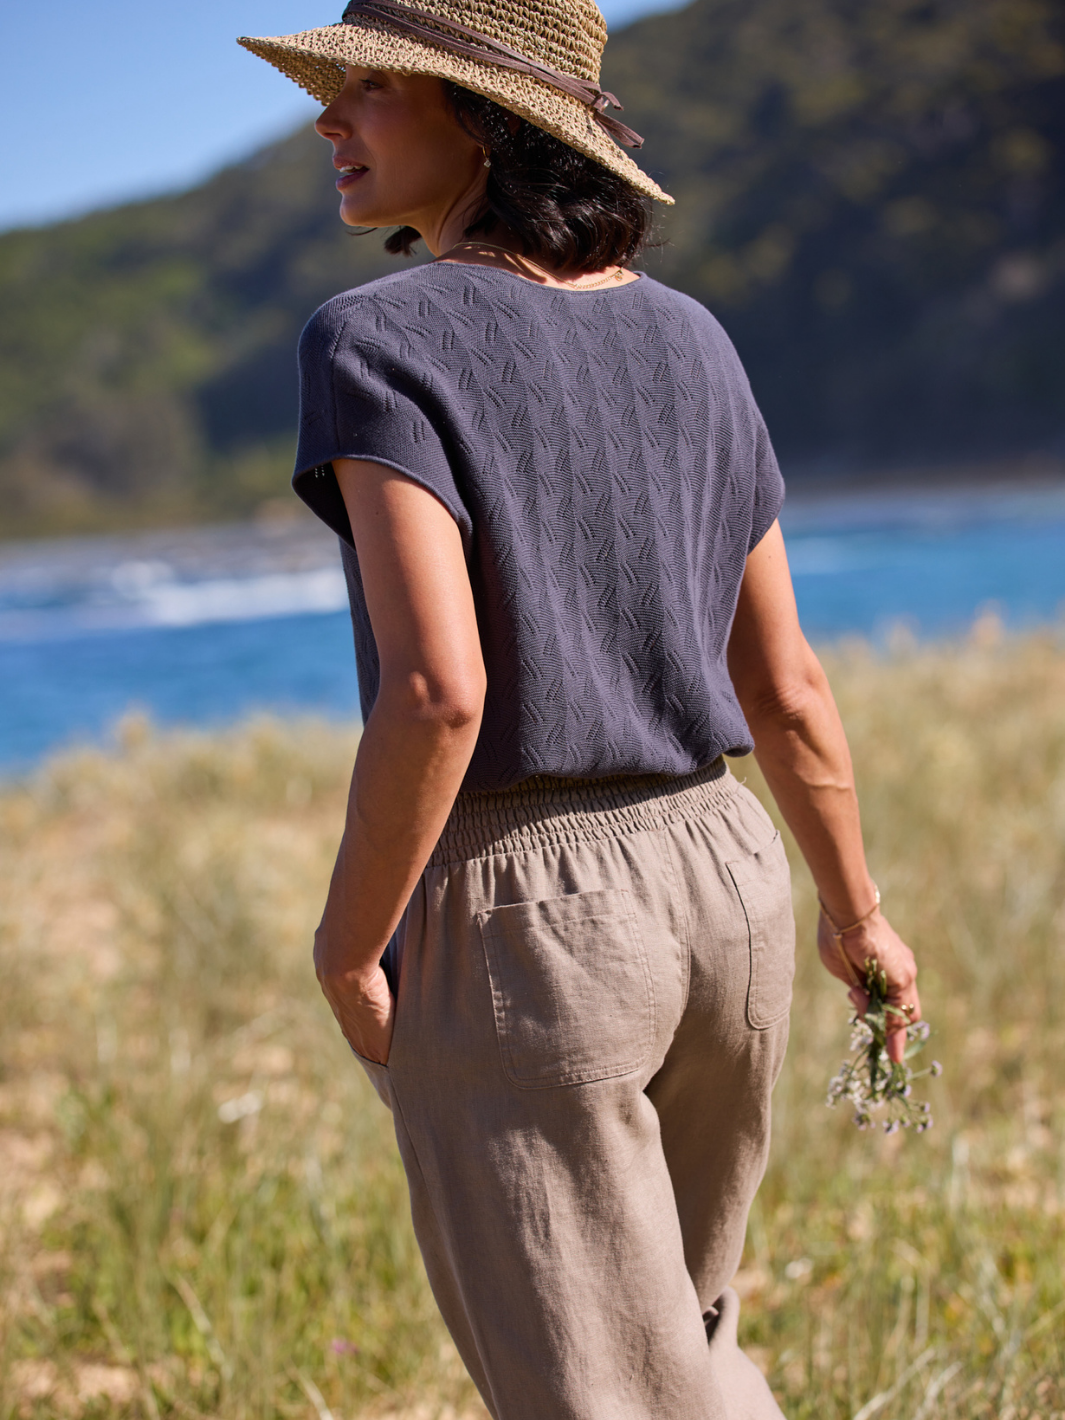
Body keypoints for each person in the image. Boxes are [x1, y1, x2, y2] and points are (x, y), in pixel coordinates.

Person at [239, 3, 920, 1416]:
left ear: (485, 119)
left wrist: (348, 948)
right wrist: (857, 916)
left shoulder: (373, 340)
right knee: (690, 1344)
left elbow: (439, 694)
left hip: (531, 916)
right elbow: (784, 684)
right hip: (726, 876)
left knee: (596, 1391)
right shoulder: (695, 339)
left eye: (371, 86)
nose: (328, 118)